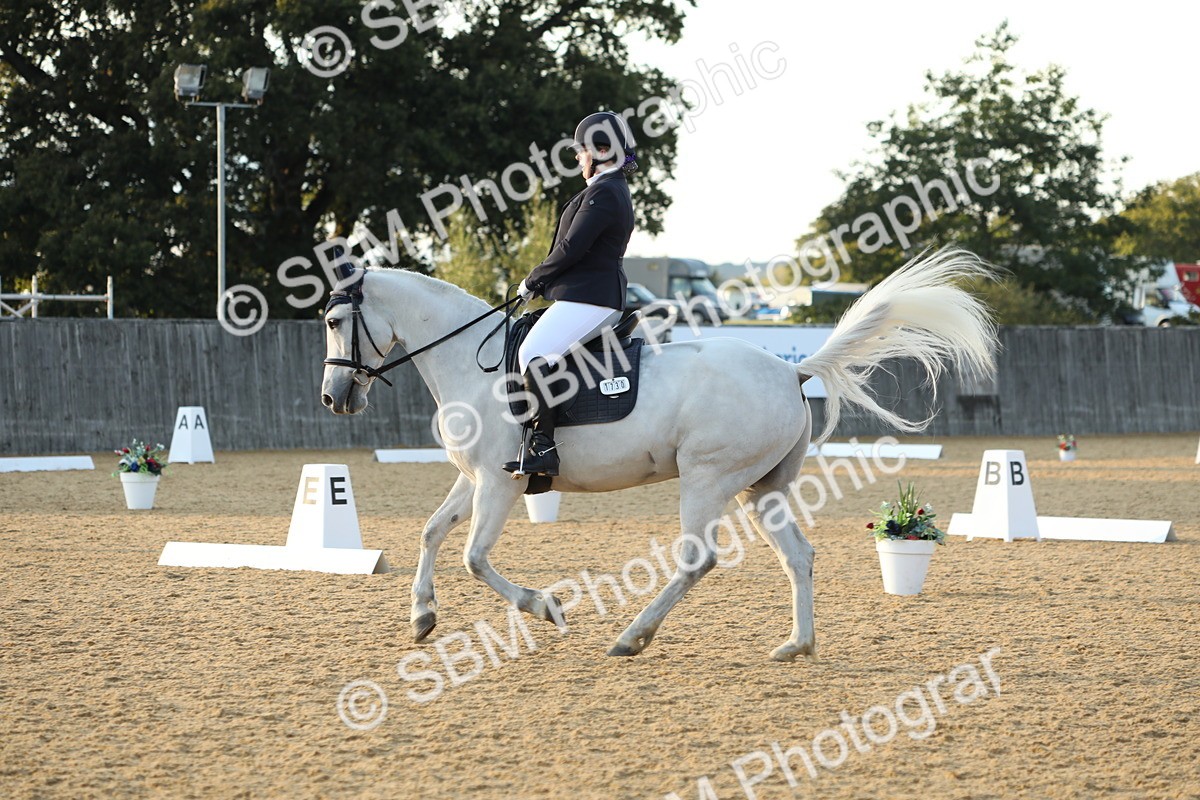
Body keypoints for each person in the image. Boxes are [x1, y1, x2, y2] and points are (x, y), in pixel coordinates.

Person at [501, 111, 638, 477]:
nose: (578, 158)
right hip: (587, 295)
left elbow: (571, 247)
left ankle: (544, 447)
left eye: (582, 151)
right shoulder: (605, 189)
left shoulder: (605, 192)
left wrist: (532, 281)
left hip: (593, 298)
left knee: (533, 352)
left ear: (602, 150)